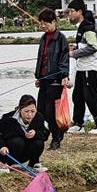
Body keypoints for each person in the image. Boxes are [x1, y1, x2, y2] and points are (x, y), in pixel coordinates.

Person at [67, 0, 97, 134]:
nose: (70, 14)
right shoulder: (81, 26)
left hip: (91, 68)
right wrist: (75, 46)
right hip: (82, 68)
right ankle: (78, 124)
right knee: (77, 96)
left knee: (90, 97)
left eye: (72, 11)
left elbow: (93, 47)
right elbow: (84, 45)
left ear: (79, 11)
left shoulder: (88, 26)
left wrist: (73, 53)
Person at [34, 8, 70, 151]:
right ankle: (54, 132)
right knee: (41, 111)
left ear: (53, 22)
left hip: (55, 80)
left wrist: (64, 75)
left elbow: (65, 58)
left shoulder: (60, 38)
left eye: (46, 23)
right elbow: (40, 59)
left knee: (51, 112)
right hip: (44, 80)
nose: (43, 26)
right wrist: (38, 77)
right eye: (41, 23)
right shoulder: (43, 38)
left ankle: (56, 139)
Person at [0, 95, 50, 169]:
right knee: (18, 141)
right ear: (20, 109)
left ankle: (33, 163)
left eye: (33, 111)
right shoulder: (8, 118)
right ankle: (9, 164)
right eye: (26, 111)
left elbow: (45, 133)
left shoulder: (39, 117)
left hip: (26, 151)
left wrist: (36, 133)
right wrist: (1, 146)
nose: (30, 115)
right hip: (9, 150)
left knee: (39, 142)